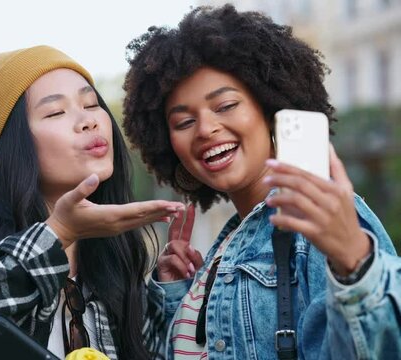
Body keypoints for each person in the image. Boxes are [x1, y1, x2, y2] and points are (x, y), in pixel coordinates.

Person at [122, 5, 401, 359]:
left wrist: (356, 264)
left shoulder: (320, 218)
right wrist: (177, 293)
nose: (206, 129)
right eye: (183, 122)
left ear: (269, 108)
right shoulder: (224, 249)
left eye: (224, 106)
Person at [0, 45, 186, 360]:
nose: (88, 121)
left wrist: (166, 295)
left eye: (92, 103)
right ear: (14, 144)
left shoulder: (110, 249)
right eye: (56, 112)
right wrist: (57, 235)